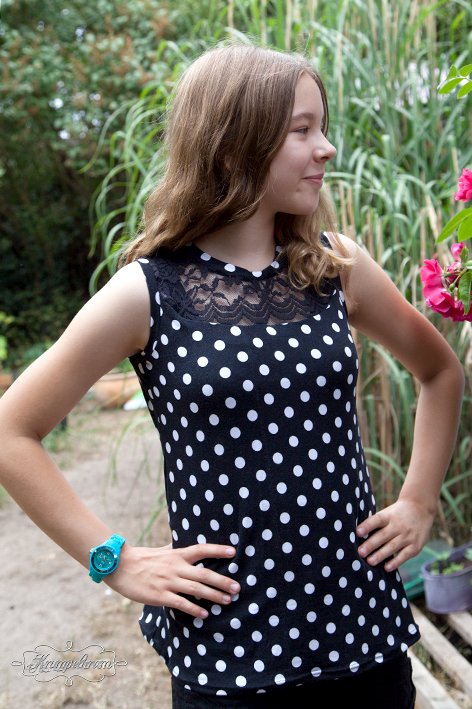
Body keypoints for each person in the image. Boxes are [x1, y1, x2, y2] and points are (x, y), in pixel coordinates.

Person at [0, 44, 464, 709]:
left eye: (322, 126)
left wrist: (418, 501)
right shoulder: (146, 292)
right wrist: (114, 559)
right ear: (231, 147)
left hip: (362, 629)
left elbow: (440, 370)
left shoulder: (335, 267)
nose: (327, 147)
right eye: (302, 129)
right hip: (230, 651)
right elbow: (12, 431)